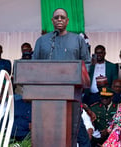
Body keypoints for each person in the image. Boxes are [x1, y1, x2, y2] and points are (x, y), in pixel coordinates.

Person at [32, 8, 91, 147]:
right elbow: (34, 65)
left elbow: (86, 63)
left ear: (67, 21)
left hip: (72, 93)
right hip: (46, 96)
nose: (59, 19)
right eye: (56, 17)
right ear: (52, 20)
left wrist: (79, 81)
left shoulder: (77, 40)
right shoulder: (42, 41)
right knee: (46, 129)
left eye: (62, 17)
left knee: (71, 130)